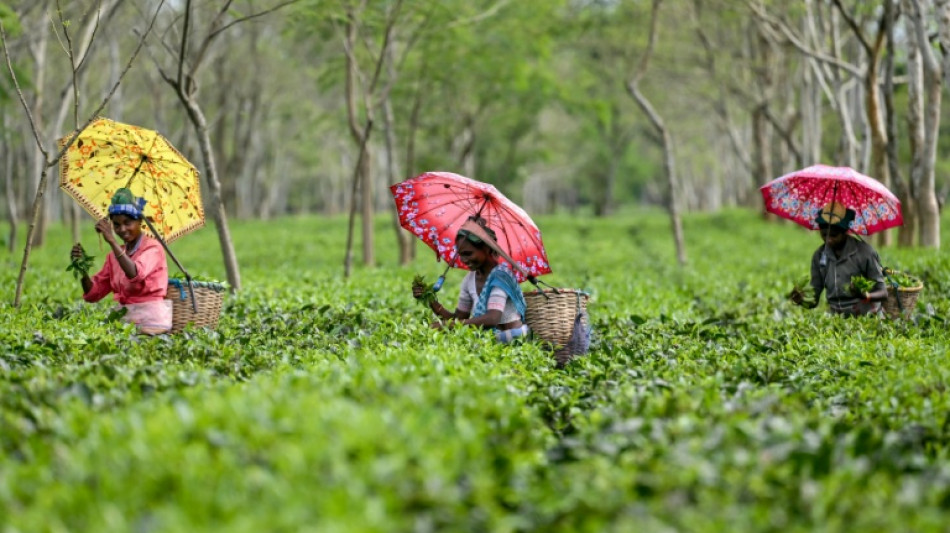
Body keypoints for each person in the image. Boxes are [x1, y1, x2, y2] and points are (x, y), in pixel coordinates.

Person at [70, 188, 172, 334]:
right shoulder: (114, 257)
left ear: (139, 221)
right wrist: (82, 268)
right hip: (125, 321)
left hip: (152, 322)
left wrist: (112, 241)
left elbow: (135, 273)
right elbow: (93, 293)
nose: (122, 229)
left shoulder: (153, 248)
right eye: (116, 225)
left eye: (127, 223)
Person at [413, 218, 530, 343]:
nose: (463, 259)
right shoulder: (469, 280)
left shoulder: (501, 276)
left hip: (512, 339)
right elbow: (458, 319)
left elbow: (492, 318)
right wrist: (431, 300)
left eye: (468, 254)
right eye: (460, 254)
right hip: (486, 340)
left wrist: (448, 325)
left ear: (487, 248)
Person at [791, 202, 888, 316]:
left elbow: (883, 293)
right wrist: (801, 300)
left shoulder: (865, 253)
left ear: (845, 232)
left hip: (867, 315)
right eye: (824, 235)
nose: (828, 240)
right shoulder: (819, 256)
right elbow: (814, 299)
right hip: (836, 317)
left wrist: (865, 295)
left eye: (833, 235)